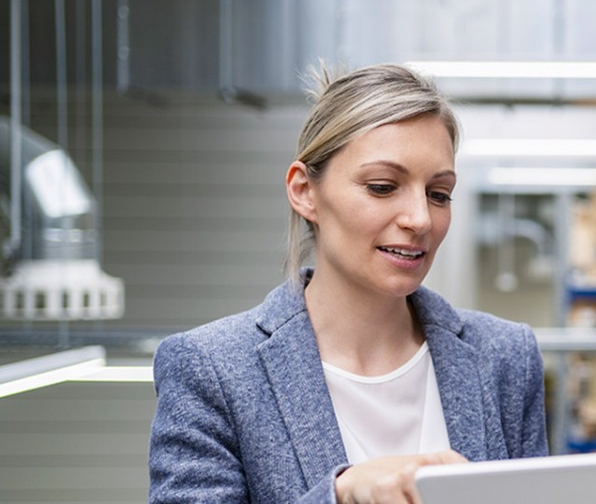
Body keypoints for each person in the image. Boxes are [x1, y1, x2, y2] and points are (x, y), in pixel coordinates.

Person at [149, 64, 548, 503]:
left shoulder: (506, 357)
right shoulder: (213, 370)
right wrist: (340, 496)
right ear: (305, 191)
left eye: (439, 194)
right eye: (382, 186)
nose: (419, 219)